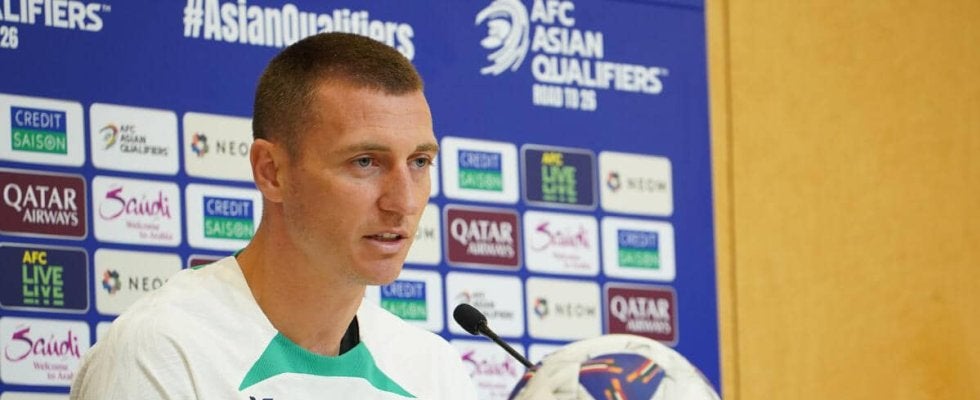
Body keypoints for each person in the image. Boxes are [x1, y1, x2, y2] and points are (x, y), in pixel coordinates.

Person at [71, 32, 479, 399]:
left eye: (419, 161)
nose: (403, 202)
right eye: (365, 161)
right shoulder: (164, 351)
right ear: (271, 171)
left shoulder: (432, 370)